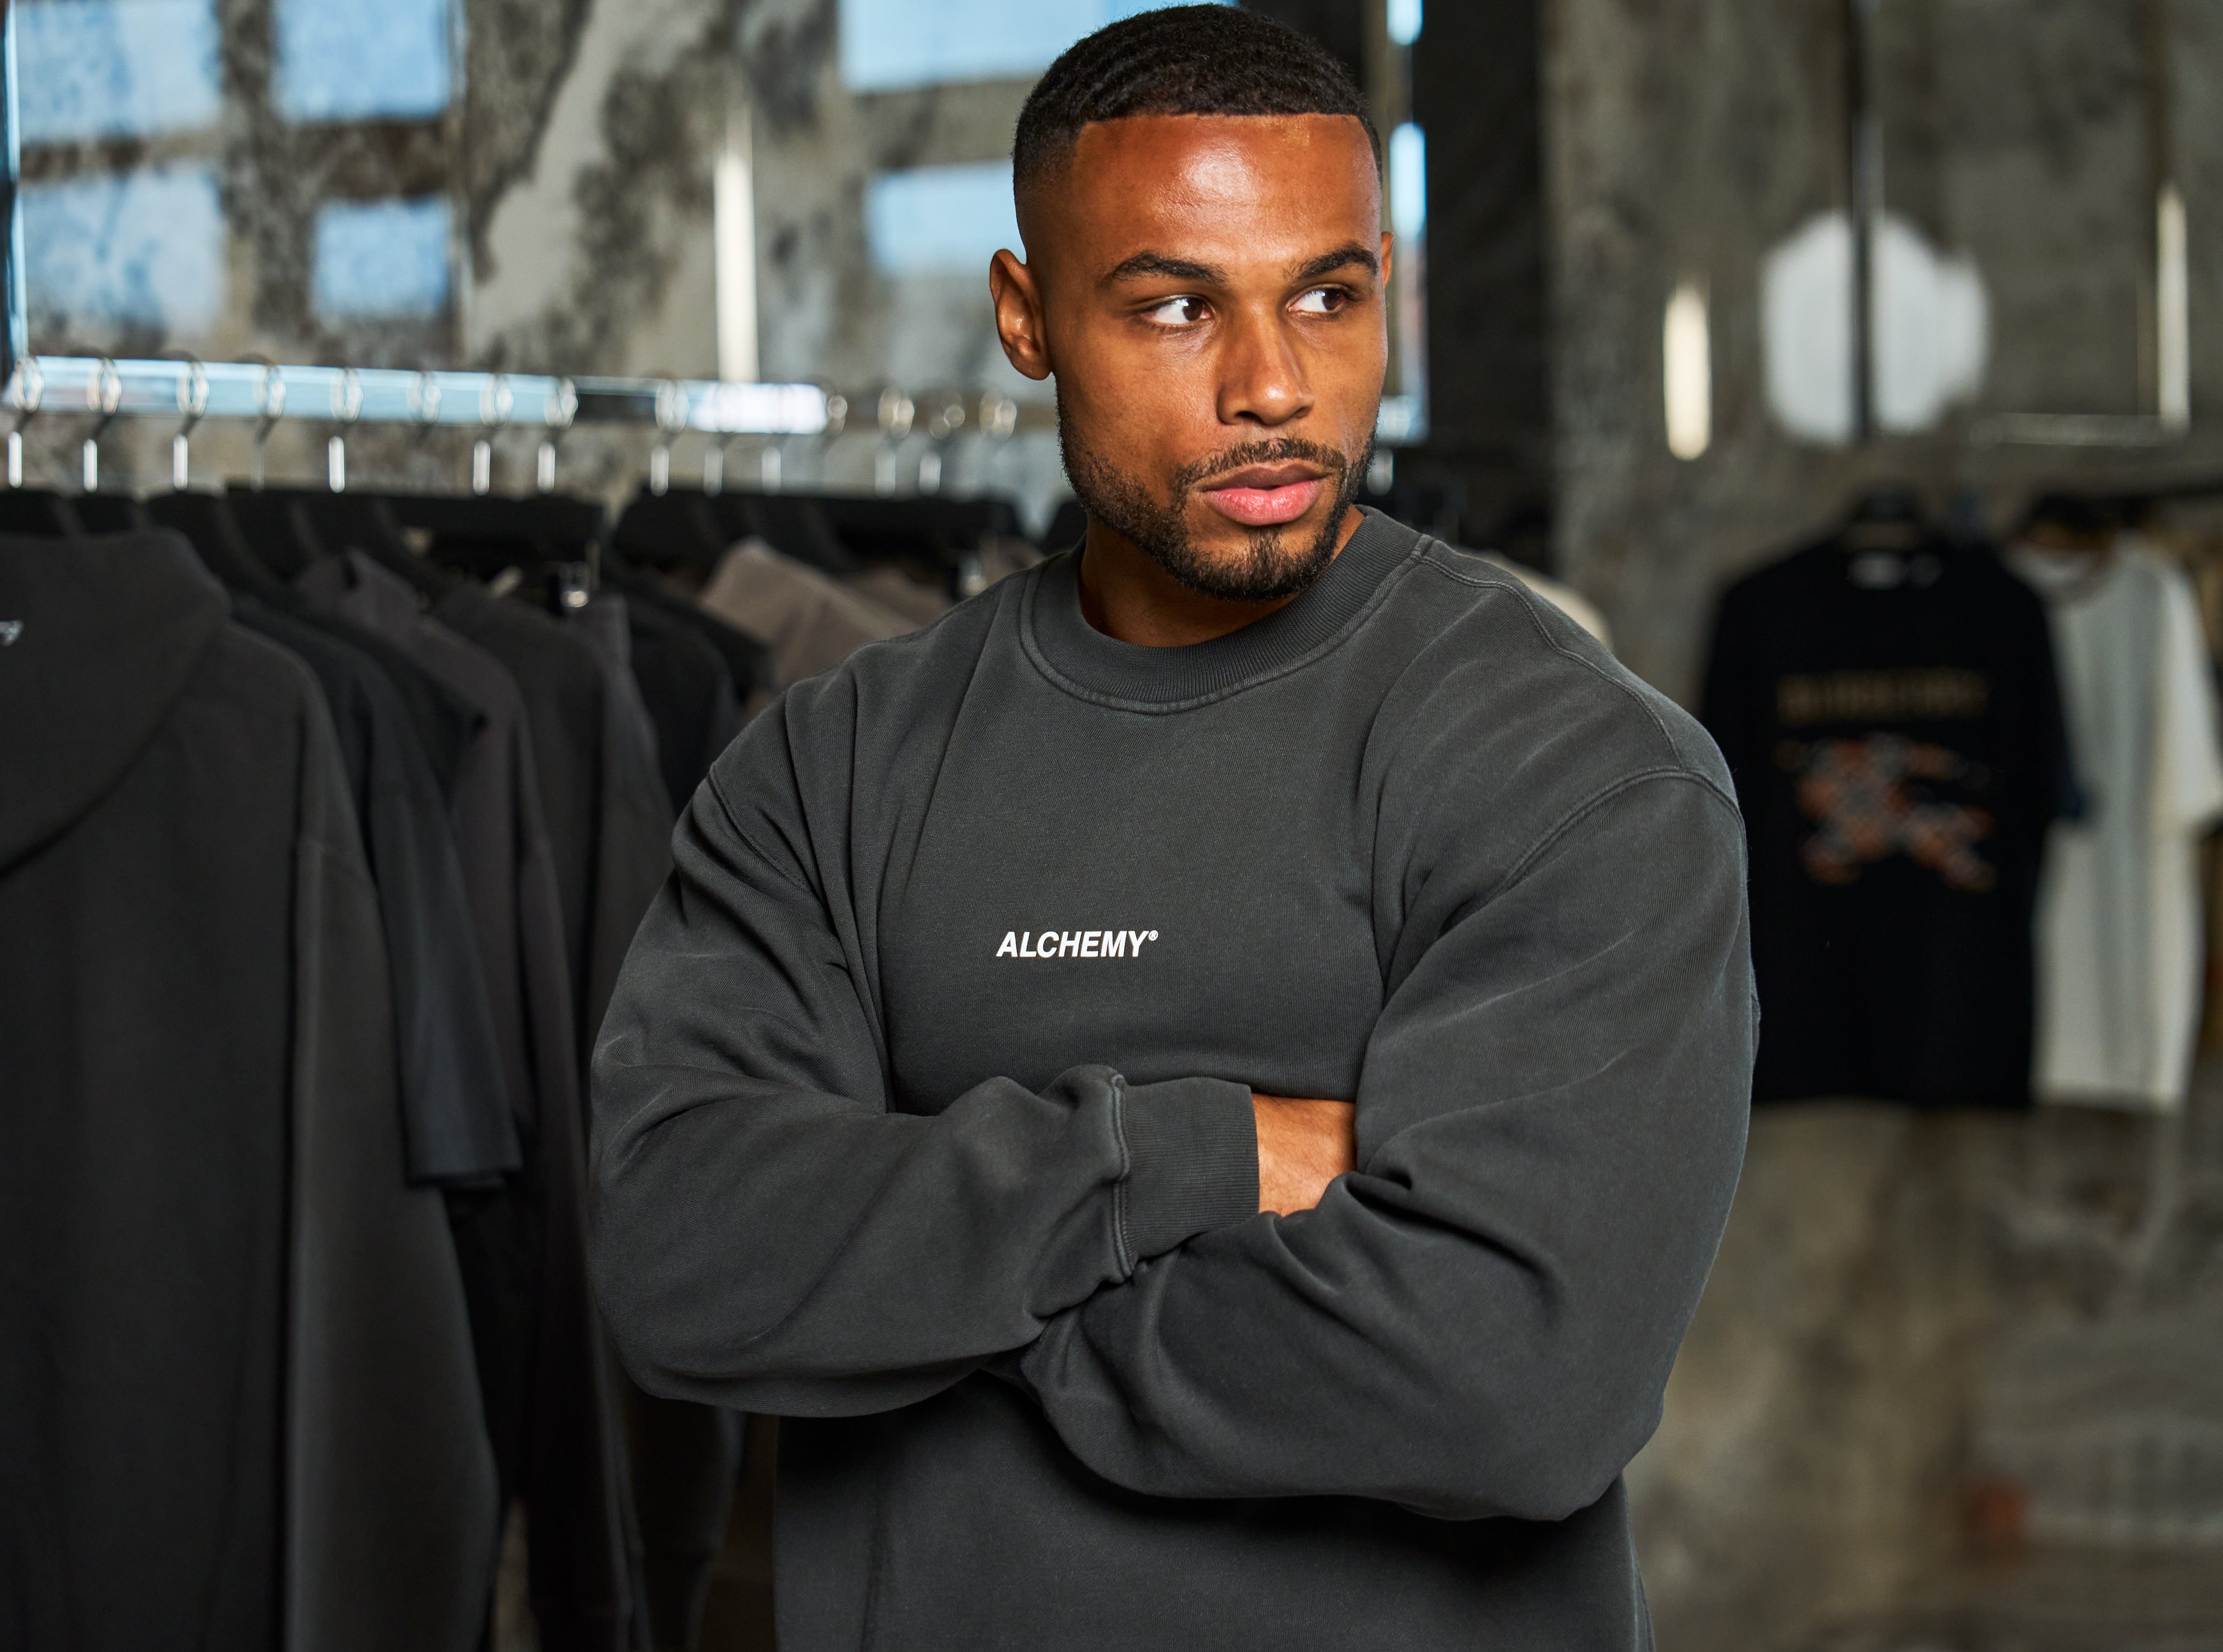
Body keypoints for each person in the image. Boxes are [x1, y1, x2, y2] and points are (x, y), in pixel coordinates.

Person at [589, 8, 1754, 1648]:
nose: (1274, 384)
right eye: (1177, 303)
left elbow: (1511, 1382)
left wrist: (927, 1304)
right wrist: (1187, 1155)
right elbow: (680, 1252)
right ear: (1026, 315)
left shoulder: (1575, 770)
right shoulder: (832, 764)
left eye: (1330, 295)